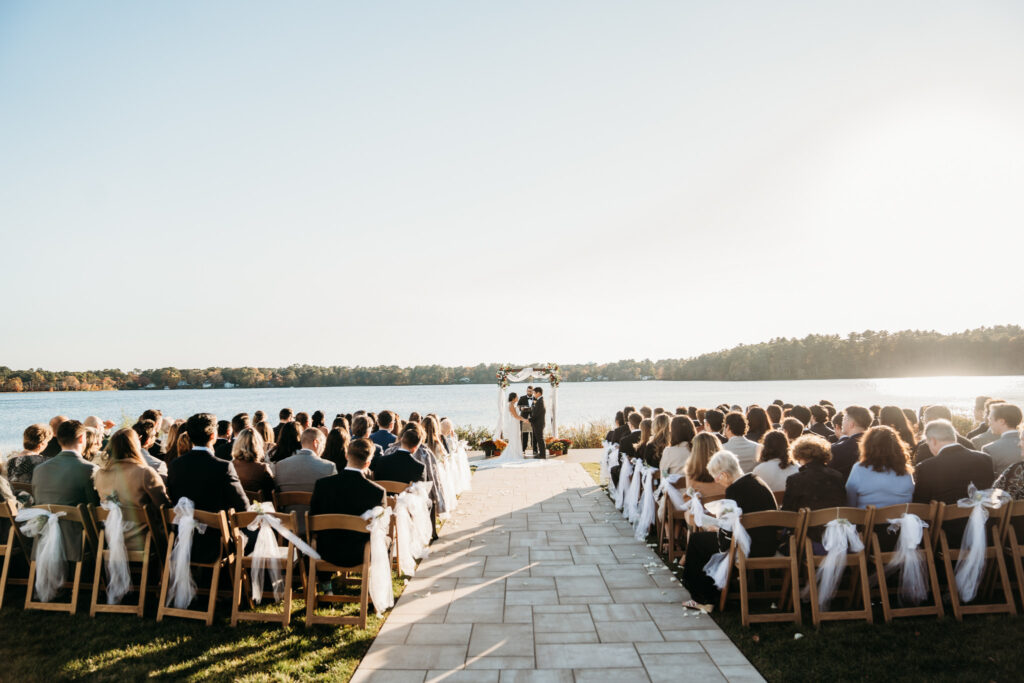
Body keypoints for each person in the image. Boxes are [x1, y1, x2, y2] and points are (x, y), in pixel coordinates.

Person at [681, 450, 777, 610]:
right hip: (768, 543)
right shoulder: (757, 480)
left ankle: (703, 598)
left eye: (716, 478)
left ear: (724, 475)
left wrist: (717, 530)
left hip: (748, 547)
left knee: (698, 541)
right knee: (706, 539)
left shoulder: (735, 490)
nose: (717, 482)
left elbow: (726, 542)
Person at [309, 438, 387, 569]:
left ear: (346, 456)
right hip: (360, 553)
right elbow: (381, 527)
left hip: (325, 550)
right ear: (368, 463)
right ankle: (370, 585)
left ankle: (325, 581)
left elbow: (313, 516)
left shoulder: (322, 485)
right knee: (386, 540)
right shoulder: (377, 492)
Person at [31, 420, 100, 560]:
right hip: (76, 541)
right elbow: (94, 508)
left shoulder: (39, 469)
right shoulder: (90, 469)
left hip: (43, 539)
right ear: (82, 438)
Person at [93, 428, 171, 548]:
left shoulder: (100, 474)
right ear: (135, 446)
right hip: (145, 539)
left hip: (112, 538)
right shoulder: (145, 472)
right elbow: (163, 506)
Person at [913, 419, 994, 505]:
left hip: (944, 518)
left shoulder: (926, 467)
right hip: (982, 517)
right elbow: (988, 494)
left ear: (933, 441)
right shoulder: (985, 459)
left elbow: (920, 504)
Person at [845, 426, 914, 508]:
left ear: (867, 446)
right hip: (900, 519)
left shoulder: (859, 469)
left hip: (866, 519)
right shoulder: (906, 471)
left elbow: (850, 503)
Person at [782, 435, 846, 514]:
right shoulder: (837, 476)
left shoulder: (795, 479)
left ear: (799, 455)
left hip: (805, 524)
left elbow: (788, 511)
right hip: (831, 524)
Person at [274, 428, 336, 493]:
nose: (323, 449)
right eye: (323, 445)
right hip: (317, 503)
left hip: (288, 503)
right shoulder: (329, 467)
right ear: (316, 443)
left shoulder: (280, 466)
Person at [230, 427, 276, 502]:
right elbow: (272, 494)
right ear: (258, 445)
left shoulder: (230, 466)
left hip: (236, 511)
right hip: (258, 511)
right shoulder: (262, 468)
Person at [829, 405, 872, 480]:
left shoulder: (838, 449)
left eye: (844, 419)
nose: (842, 423)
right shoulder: (877, 445)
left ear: (851, 424)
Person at [980, 403, 1022, 475]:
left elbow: (986, 479)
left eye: (990, 419)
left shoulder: (990, 449)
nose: (989, 423)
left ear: (1002, 421)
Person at [529, 387, 547, 458]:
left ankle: (542, 455)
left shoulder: (540, 402)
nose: (533, 394)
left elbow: (536, 414)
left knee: (540, 439)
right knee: (539, 439)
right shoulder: (539, 400)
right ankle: (541, 454)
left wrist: (529, 420)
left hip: (538, 423)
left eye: (534, 393)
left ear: (538, 393)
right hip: (538, 423)